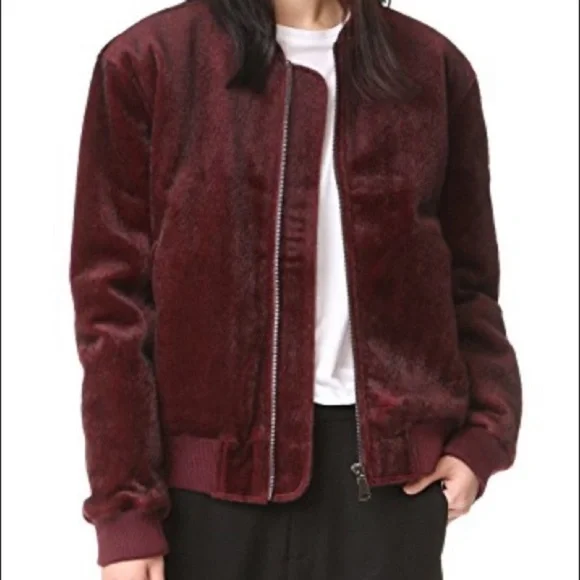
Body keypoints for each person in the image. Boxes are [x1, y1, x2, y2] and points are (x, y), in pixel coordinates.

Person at [69, 0, 523, 578]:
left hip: (389, 492)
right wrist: (125, 514)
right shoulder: (149, 62)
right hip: (206, 499)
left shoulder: (432, 67)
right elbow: (112, 307)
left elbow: (470, 285)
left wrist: (482, 438)